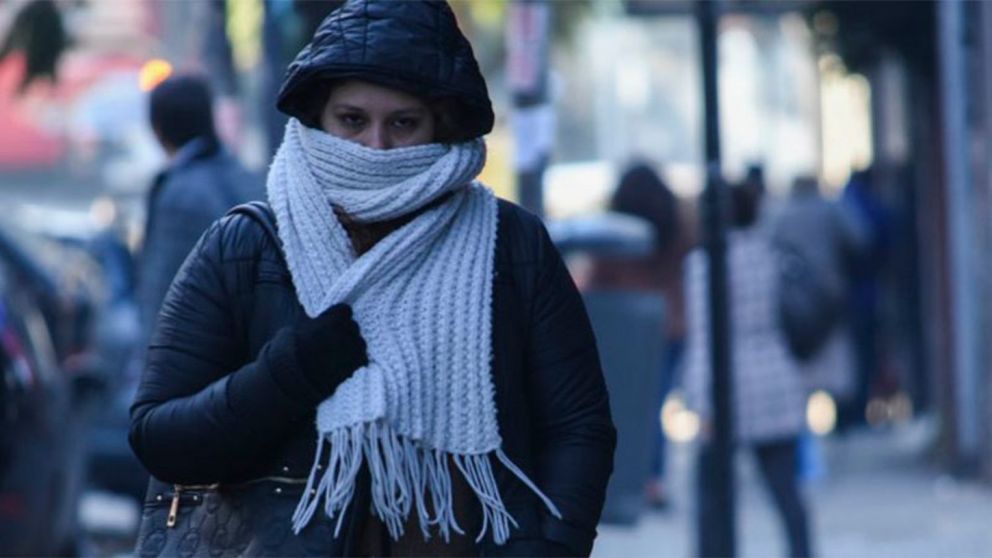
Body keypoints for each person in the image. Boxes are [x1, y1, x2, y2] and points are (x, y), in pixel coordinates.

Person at [128, 2, 616, 557]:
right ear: (319, 118)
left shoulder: (512, 246)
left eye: (402, 123)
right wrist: (291, 373)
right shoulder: (247, 246)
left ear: (441, 125)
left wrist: (548, 549)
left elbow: (578, 428)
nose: (375, 148)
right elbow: (159, 438)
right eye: (352, 120)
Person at [684, 184, 812, 558]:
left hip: (725, 386)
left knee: (713, 497)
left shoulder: (702, 265)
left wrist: (698, 398)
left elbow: (704, 338)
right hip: (773, 375)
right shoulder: (769, 254)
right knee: (787, 493)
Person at [587, 162, 695, 510]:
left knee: (636, 408)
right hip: (673, 322)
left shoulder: (615, 231)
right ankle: (653, 479)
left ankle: (639, 478)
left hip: (629, 328)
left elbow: (599, 280)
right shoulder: (677, 225)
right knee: (659, 405)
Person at [137, 74, 262, 349]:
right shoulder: (247, 176)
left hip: (206, 355)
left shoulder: (179, 193)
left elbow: (162, 291)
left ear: (157, 128)